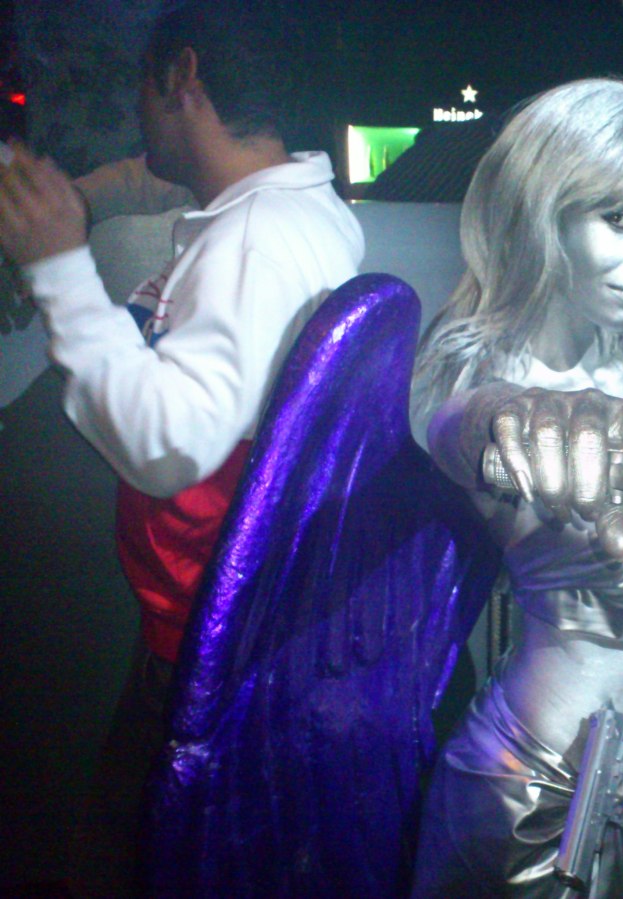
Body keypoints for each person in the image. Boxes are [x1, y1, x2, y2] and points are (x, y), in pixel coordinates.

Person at [0, 2, 364, 894]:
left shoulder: (253, 243)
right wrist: (75, 205)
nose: (138, 110)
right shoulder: (278, 206)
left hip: (203, 639)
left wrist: (58, 267)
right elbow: (152, 185)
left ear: (181, 77)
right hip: (215, 617)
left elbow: (166, 445)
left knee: (120, 859)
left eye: (144, 85)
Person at [407, 77, 623, 897]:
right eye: (619, 219)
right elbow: (453, 427)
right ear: (544, 211)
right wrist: (505, 416)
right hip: (529, 792)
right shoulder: (473, 364)